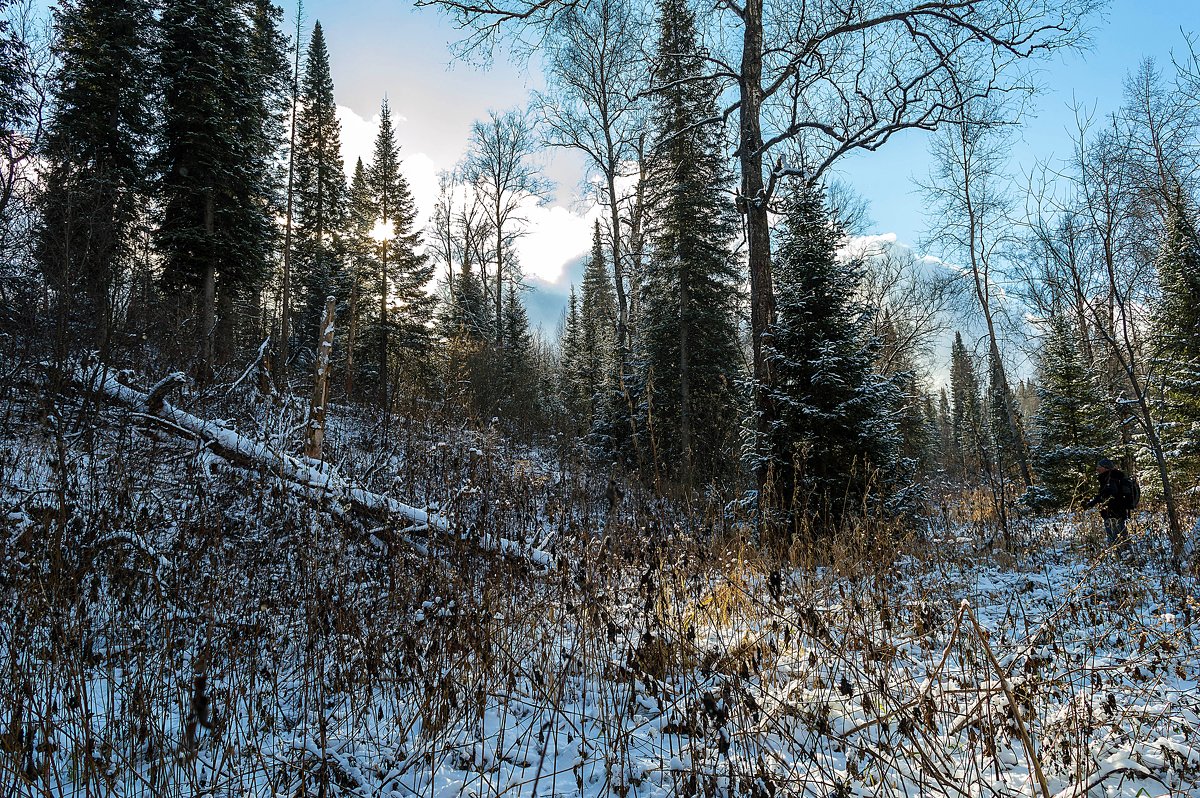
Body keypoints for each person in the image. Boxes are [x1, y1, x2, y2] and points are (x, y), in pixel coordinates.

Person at [1083, 457, 1131, 552]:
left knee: (1115, 536)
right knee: (1121, 535)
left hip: (1113, 513)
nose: (1097, 469)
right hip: (1118, 512)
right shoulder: (1113, 477)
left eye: (1099, 466)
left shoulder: (1111, 479)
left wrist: (1092, 503)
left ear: (1105, 468)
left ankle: (1120, 557)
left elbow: (1107, 494)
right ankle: (1125, 555)